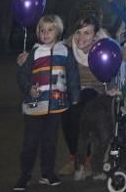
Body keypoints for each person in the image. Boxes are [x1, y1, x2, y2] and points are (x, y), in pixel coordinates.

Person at [14, 15, 80, 191]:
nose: (45, 33)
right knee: (30, 142)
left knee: (50, 142)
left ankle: (47, 173)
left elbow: (73, 75)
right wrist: (29, 88)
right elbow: (22, 75)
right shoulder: (34, 53)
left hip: (56, 105)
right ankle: (25, 175)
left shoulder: (65, 51)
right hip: (35, 104)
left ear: (57, 31)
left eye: (50, 30)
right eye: (42, 30)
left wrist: (74, 96)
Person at [53, 15, 111, 180]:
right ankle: (76, 158)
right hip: (74, 89)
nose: (81, 37)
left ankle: (84, 159)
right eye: (79, 32)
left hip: (97, 91)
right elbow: (48, 50)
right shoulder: (68, 46)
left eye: (87, 33)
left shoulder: (105, 46)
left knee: (80, 105)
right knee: (66, 111)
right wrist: (28, 57)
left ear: (95, 34)